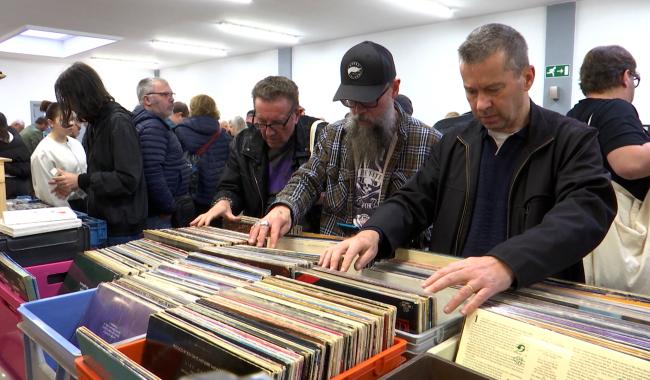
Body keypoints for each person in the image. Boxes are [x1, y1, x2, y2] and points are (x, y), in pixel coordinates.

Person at [319, 24, 616, 316]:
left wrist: (507, 263)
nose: (481, 104)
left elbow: (585, 214)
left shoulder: (571, 140)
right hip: (456, 304)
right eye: (471, 91)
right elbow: (413, 200)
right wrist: (375, 232)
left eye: (493, 89)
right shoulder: (455, 142)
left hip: (535, 307)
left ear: (527, 77)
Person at [248, 41, 441, 247]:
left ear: (394, 89)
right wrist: (283, 208)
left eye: (367, 102)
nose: (357, 111)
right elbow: (308, 178)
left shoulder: (430, 143)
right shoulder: (334, 134)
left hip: (395, 261)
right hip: (334, 257)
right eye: (350, 101)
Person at [191, 76, 324, 231]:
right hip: (260, 235)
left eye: (277, 123)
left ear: (297, 114)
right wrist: (224, 201)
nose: (268, 132)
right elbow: (230, 186)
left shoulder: (321, 138)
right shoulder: (244, 142)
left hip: (308, 237)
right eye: (261, 122)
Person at [51, 62, 147, 245]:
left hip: (122, 228)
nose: (70, 106)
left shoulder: (117, 122)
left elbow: (128, 179)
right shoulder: (96, 124)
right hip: (104, 222)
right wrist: (75, 184)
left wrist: (80, 180)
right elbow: (100, 173)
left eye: (70, 99)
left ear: (82, 95)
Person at [567, 45, 649, 201]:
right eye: (634, 79)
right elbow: (630, 163)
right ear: (625, 77)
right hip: (618, 217)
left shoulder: (574, 114)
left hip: (585, 211)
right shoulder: (616, 108)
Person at [133, 77, 193, 229]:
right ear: (147, 100)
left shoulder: (155, 124)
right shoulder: (152, 127)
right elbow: (152, 172)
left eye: (172, 94)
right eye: (165, 94)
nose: (172, 99)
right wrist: (167, 207)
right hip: (159, 214)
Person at [175, 94, 231, 216]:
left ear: (193, 108)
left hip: (191, 192)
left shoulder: (180, 131)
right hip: (218, 194)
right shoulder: (223, 134)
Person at [31, 102, 87, 211]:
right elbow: (48, 192)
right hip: (61, 207)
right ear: (51, 123)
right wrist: (68, 214)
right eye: (65, 120)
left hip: (84, 202)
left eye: (73, 119)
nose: (71, 123)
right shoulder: (43, 153)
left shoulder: (76, 144)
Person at [0, 112, 31, 198]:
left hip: (8, 188)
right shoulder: (16, 137)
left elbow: (26, 168)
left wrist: (4, 165)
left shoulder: (13, 141)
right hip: (22, 186)